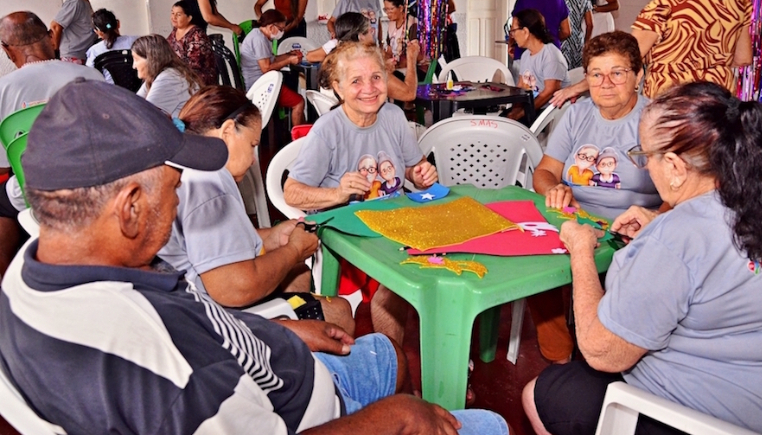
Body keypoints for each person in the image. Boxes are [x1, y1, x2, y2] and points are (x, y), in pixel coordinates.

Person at [0, 77, 511, 435]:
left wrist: (277, 331)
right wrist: (396, 419)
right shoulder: (166, 368)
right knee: (491, 425)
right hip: (293, 409)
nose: (180, 201)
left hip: (267, 359)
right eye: (174, 187)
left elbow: (201, 313)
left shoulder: (28, 278)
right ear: (130, 208)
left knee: (380, 352)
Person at [523, 81, 762, 435]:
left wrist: (581, 250)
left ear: (676, 167)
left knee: (539, 391)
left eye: (646, 157)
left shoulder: (677, 238)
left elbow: (601, 352)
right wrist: (660, 223)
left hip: (699, 417)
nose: (645, 168)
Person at [158, 86, 354, 334]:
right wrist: (294, 250)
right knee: (340, 311)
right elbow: (234, 288)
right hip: (206, 320)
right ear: (228, 131)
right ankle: (291, 350)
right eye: (252, 145)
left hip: (177, 302)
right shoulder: (209, 179)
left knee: (297, 272)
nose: (253, 159)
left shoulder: (188, 160)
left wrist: (271, 236)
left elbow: (213, 244)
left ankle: (293, 346)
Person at [283, 42, 437, 348]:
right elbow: (292, 193)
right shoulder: (327, 130)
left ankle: (428, 362)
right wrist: (339, 193)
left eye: (377, 78)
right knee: (395, 286)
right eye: (356, 81)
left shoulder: (393, 116)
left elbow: (410, 166)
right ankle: (394, 370)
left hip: (395, 224)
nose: (369, 88)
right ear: (338, 89)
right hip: (348, 234)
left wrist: (419, 175)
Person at [529, 31, 661, 365]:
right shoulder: (577, 114)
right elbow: (543, 172)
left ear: (638, 76)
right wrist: (553, 189)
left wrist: (657, 217)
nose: (606, 83)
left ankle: (605, 355)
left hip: (631, 232)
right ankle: (560, 358)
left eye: (618, 73)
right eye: (596, 74)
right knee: (533, 264)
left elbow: (685, 192)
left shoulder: (656, 121)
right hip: (576, 221)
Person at [0, 11, 104, 276]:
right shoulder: (92, 76)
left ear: (7, 50)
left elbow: (4, 166)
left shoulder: (3, 89)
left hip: (34, 192)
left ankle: (8, 284)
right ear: (51, 38)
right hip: (96, 183)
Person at [553, 0, 752, 104]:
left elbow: (621, 59)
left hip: (674, 98)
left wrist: (576, 88)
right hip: (719, 97)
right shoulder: (740, 3)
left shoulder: (666, 5)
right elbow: (743, 58)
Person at [310, 12, 420, 102]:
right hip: (364, 125)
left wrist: (384, 69)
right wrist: (411, 58)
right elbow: (409, 94)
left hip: (340, 123)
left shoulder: (333, 59)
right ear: (361, 37)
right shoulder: (368, 65)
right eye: (369, 30)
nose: (373, 33)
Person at [241, 9, 306, 126]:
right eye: (281, 29)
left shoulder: (260, 35)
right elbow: (266, 68)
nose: (282, 32)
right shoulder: (259, 40)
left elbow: (272, 59)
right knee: (299, 102)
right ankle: (299, 140)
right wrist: (289, 60)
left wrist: (288, 54)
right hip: (260, 86)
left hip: (263, 81)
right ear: (271, 27)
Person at [505, 9, 570, 122]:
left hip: (549, 111)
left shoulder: (550, 55)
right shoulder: (526, 55)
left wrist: (520, 114)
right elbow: (522, 87)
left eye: (514, 31)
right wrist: (515, 111)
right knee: (500, 122)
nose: (512, 36)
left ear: (525, 31)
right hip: (532, 107)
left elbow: (549, 92)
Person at [132, 34, 202, 119]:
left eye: (136, 59)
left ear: (150, 59)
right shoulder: (159, 76)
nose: (134, 66)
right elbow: (134, 104)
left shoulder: (169, 78)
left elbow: (145, 116)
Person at [167, 0, 218, 86]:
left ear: (189, 18)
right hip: (180, 75)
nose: (174, 17)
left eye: (178, 15)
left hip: (197, 81)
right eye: (172, 13)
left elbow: (194, 67)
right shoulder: (176, 31)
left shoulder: (197, 36)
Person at [85, 9, 138, 84]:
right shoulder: (137, 42)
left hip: (110, 93)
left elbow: (90, 77)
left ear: (98, 32)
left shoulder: (94, 51)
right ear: (118, 23)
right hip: (138, 93)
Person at [382, 0, 417, 70]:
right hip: (397, 66)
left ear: (400, 8)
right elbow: (389, 50)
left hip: (411, 68)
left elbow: (415, 54)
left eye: (391, 9)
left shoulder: (412, 24)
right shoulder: (391, 24)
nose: (388, 12)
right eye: (386, 9)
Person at [561, 0, 592, 69]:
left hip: (564, 43)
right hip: (579, 42)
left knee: (565, 75)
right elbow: (590, 24)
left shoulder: (561, 1)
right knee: (578, 74)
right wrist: (586, 43)